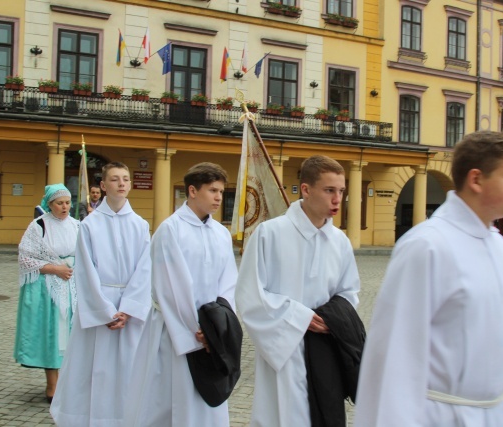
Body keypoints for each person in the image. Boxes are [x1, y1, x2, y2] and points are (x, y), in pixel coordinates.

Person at [355, 131, 503, 426]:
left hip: (494, 412)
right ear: (476, 179)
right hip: (442, 415)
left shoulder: (497, 244)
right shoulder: (427, 246)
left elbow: (498, 324)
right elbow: (396, 353)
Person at [235, 155, 361, 426]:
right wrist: (298, 317)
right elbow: (250, 295)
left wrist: (332, 319)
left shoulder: (340, 242)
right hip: (286, 347)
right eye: (329, 190)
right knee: (286, 416)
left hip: (326, 348)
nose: (337, 199)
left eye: (341, 191)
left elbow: (349, 293)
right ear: (306, 189)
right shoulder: (270, 234)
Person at [123, 162, 239, 426]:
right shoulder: (170, 230)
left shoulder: (221, 233)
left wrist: (218, 327)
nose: (219, 197)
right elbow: (171, 287)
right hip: (176, 331)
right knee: (172, 399)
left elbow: (228, 282)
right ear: (192, 191)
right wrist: (196, 331)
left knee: (207, 402)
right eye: (213, 190)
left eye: (221, 191)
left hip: (210, 330)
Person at [50, 162, 151, 427]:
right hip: (101, 307)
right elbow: (85, 271)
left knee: (130, 368)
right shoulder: (90, 225)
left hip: (129, 310)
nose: (121, 183)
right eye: (115, 179)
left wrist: (129, 308)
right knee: (95, 367)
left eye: (126, 179)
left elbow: (145, 269)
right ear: (103, 186)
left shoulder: (140, 225)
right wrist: (105, 311)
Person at [14, 184, 79, 403]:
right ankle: (52, 385)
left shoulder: (77, 225)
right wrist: (54, 268)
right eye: (59, 203)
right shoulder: (39, 226)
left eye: (68, 202)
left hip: (73, 287)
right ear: (49, 204)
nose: (64, 207)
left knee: (72, 336)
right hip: (48, 289)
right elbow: (25, 258)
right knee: (53, 335)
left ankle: (71, 383)